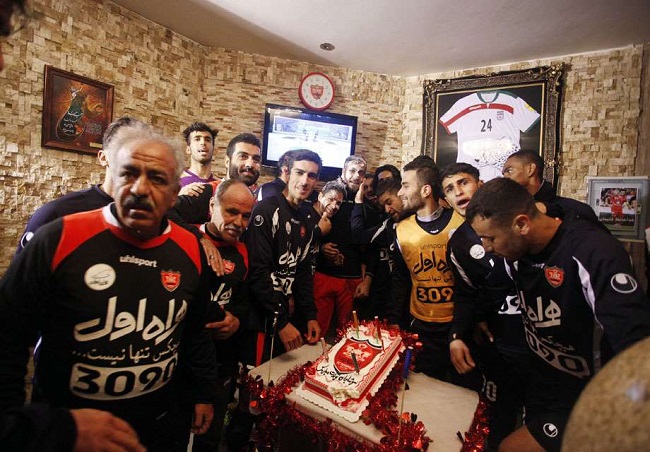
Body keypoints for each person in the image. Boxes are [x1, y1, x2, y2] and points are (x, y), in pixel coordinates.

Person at [0, 122, 219, 451]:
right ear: (112, 178)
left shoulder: (189, 248)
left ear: (175, 194)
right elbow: (7, 339)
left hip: (156, 428)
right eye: (129, 173)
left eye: (157, 179)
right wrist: (29, 430)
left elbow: (194, 331)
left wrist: (203, 393)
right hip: (71, 432)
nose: (140, 188)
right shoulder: (58, 237)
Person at [466, 177, 650, 452]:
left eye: (490, 238)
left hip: (587, 394)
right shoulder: (514, 255)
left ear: (522, 224)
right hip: (543, 385)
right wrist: (472, 321)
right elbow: (492, 286)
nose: (487, 247)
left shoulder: (593, 252)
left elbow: (634, 340)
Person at [440, 163, 529, 449]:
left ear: (480, 184)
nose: (458, 192)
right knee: (498, 419)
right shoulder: (458, 244)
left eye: (463, 183)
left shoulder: (518, 219)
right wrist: (457, 335)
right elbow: (466, 294)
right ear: (446, 200)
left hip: (539, 340)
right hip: (498, 342)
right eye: (450, 189)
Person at [188, 179, 254, 452]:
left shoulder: (243, 251)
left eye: (245, 216)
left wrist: (235, 321)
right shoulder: (186, 238)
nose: (238, 222)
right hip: (181, 365)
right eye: (231, 212)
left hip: (220, 366)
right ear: (212, 206)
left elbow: (242, 301)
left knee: (210, 438)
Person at [387, 155, 466, 383]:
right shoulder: (402, 229)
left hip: (458, 325)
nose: (400, 192)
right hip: (421, 325)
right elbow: (400, 279)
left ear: (425, 190)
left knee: (460, 392)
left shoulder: (460, 222)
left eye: (405, 185)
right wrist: (394, 319)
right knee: (423, 388)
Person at [15, 116, 143, 255]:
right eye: (124, 147)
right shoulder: (56, 214)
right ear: (103, 158)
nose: (136, 158)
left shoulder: (154, 218)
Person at [314, 155, 373, 335]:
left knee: (348, 333)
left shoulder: (367, 204)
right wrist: (321, 247)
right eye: (352, 171)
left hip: (352, 277)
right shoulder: (330, 195)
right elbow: (311, 229)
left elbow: (370, 246)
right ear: (343, 172)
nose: (356, 176)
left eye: (361, 172)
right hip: (324, 273)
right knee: (318, 330)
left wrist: (368, 277)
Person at [502, 150, 598, 222]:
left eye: (509, 171)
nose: (505, 177)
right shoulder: (508, 210)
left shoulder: (574, 209)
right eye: (503, 173)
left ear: (530, 169)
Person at [179, 122, 218, 193]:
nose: (203, 143)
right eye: (197, 139)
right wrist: (179, 196)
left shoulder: (221, 185)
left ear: (214, 150)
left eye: (207, 140)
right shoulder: (176, 182)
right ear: (188, 150)